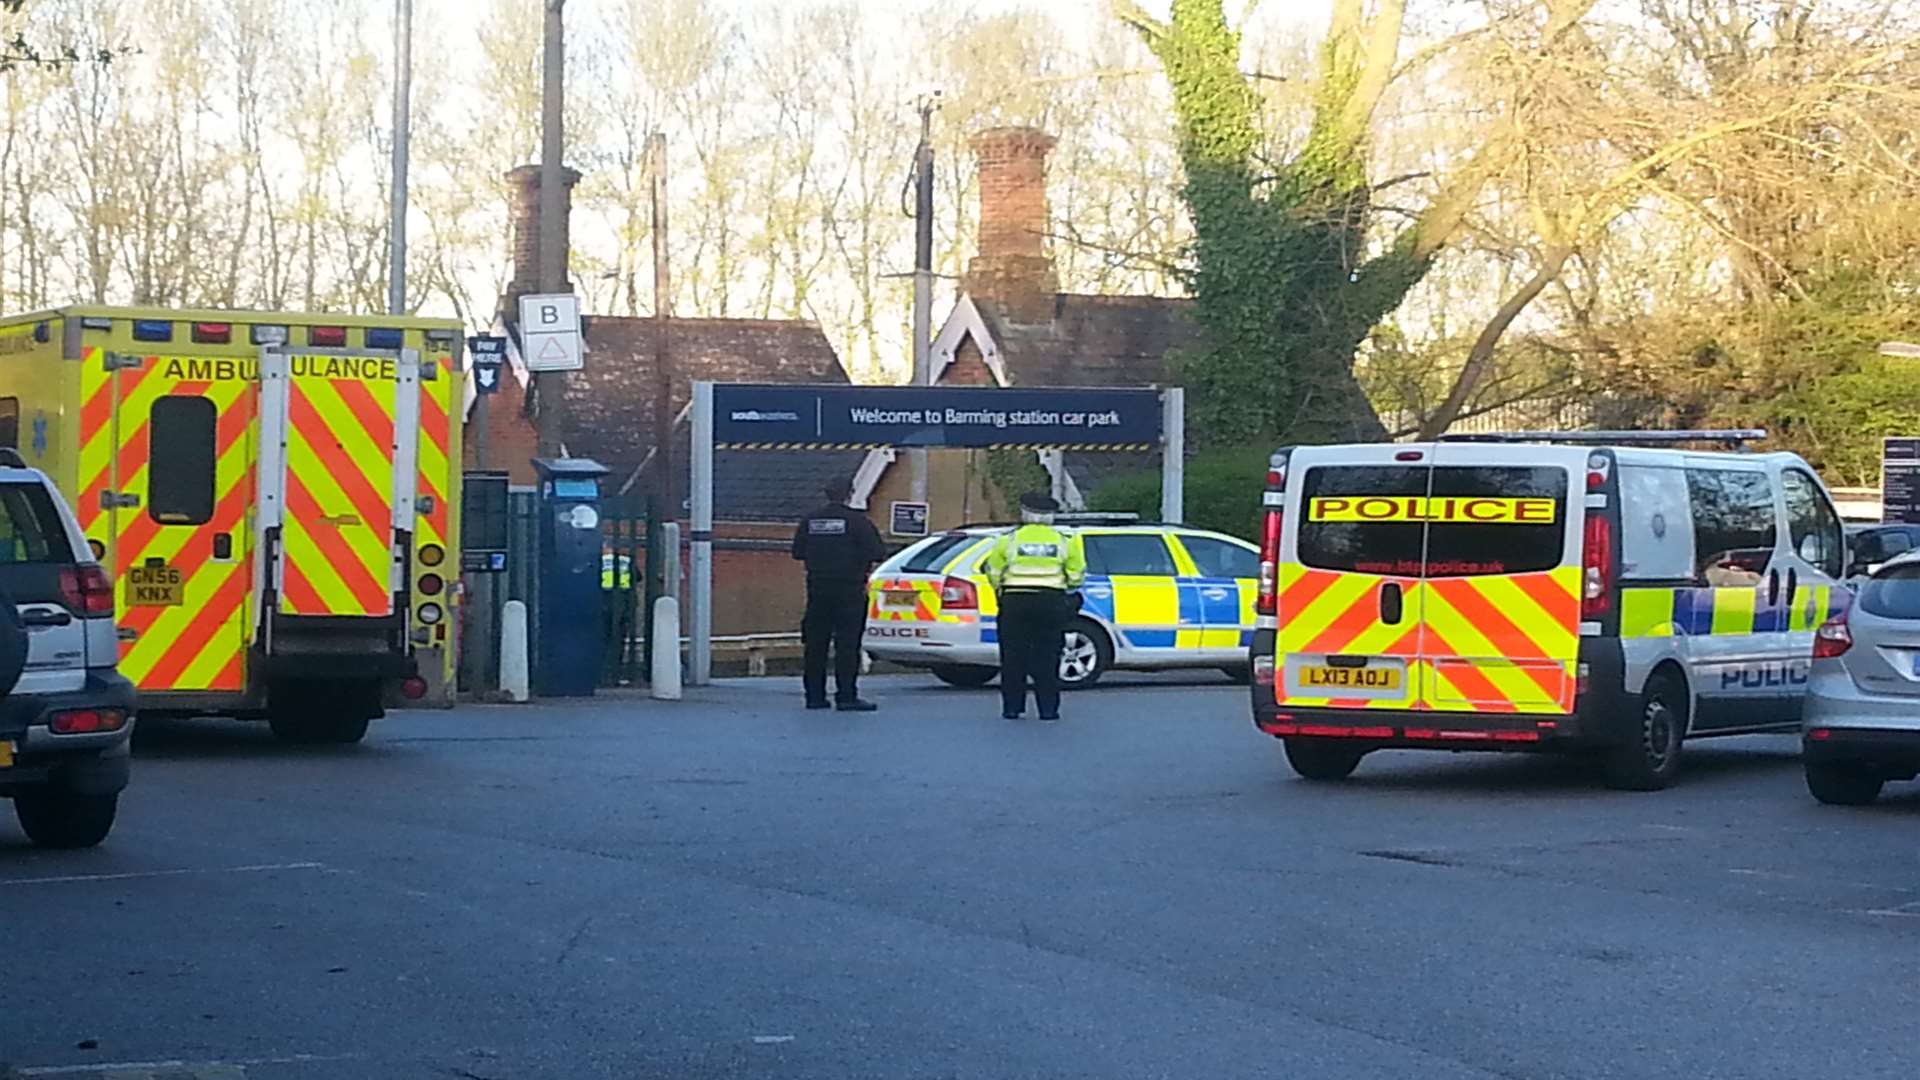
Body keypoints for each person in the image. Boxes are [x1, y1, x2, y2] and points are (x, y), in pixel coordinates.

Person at [984, 492, 1086, 722]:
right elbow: (1076, 576)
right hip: (1050, 601)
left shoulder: (1008, 539)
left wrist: (1003, 588)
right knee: (1048, 656)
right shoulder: (1065, 540)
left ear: (1025, 513)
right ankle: (1048, 710)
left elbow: (994, 572)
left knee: (1012, 657)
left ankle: (1012, 708)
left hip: (1015, 601)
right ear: (1051, 516)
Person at [792, 476, 887, 711]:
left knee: (815, 644)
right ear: (850, 494)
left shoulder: (810, 521)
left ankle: (814, 697)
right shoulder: (858, 522)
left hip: (818, 589)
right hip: (849, 590)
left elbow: (798, 552)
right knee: (847, 644)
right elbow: (877, 552)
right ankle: (846, 696)